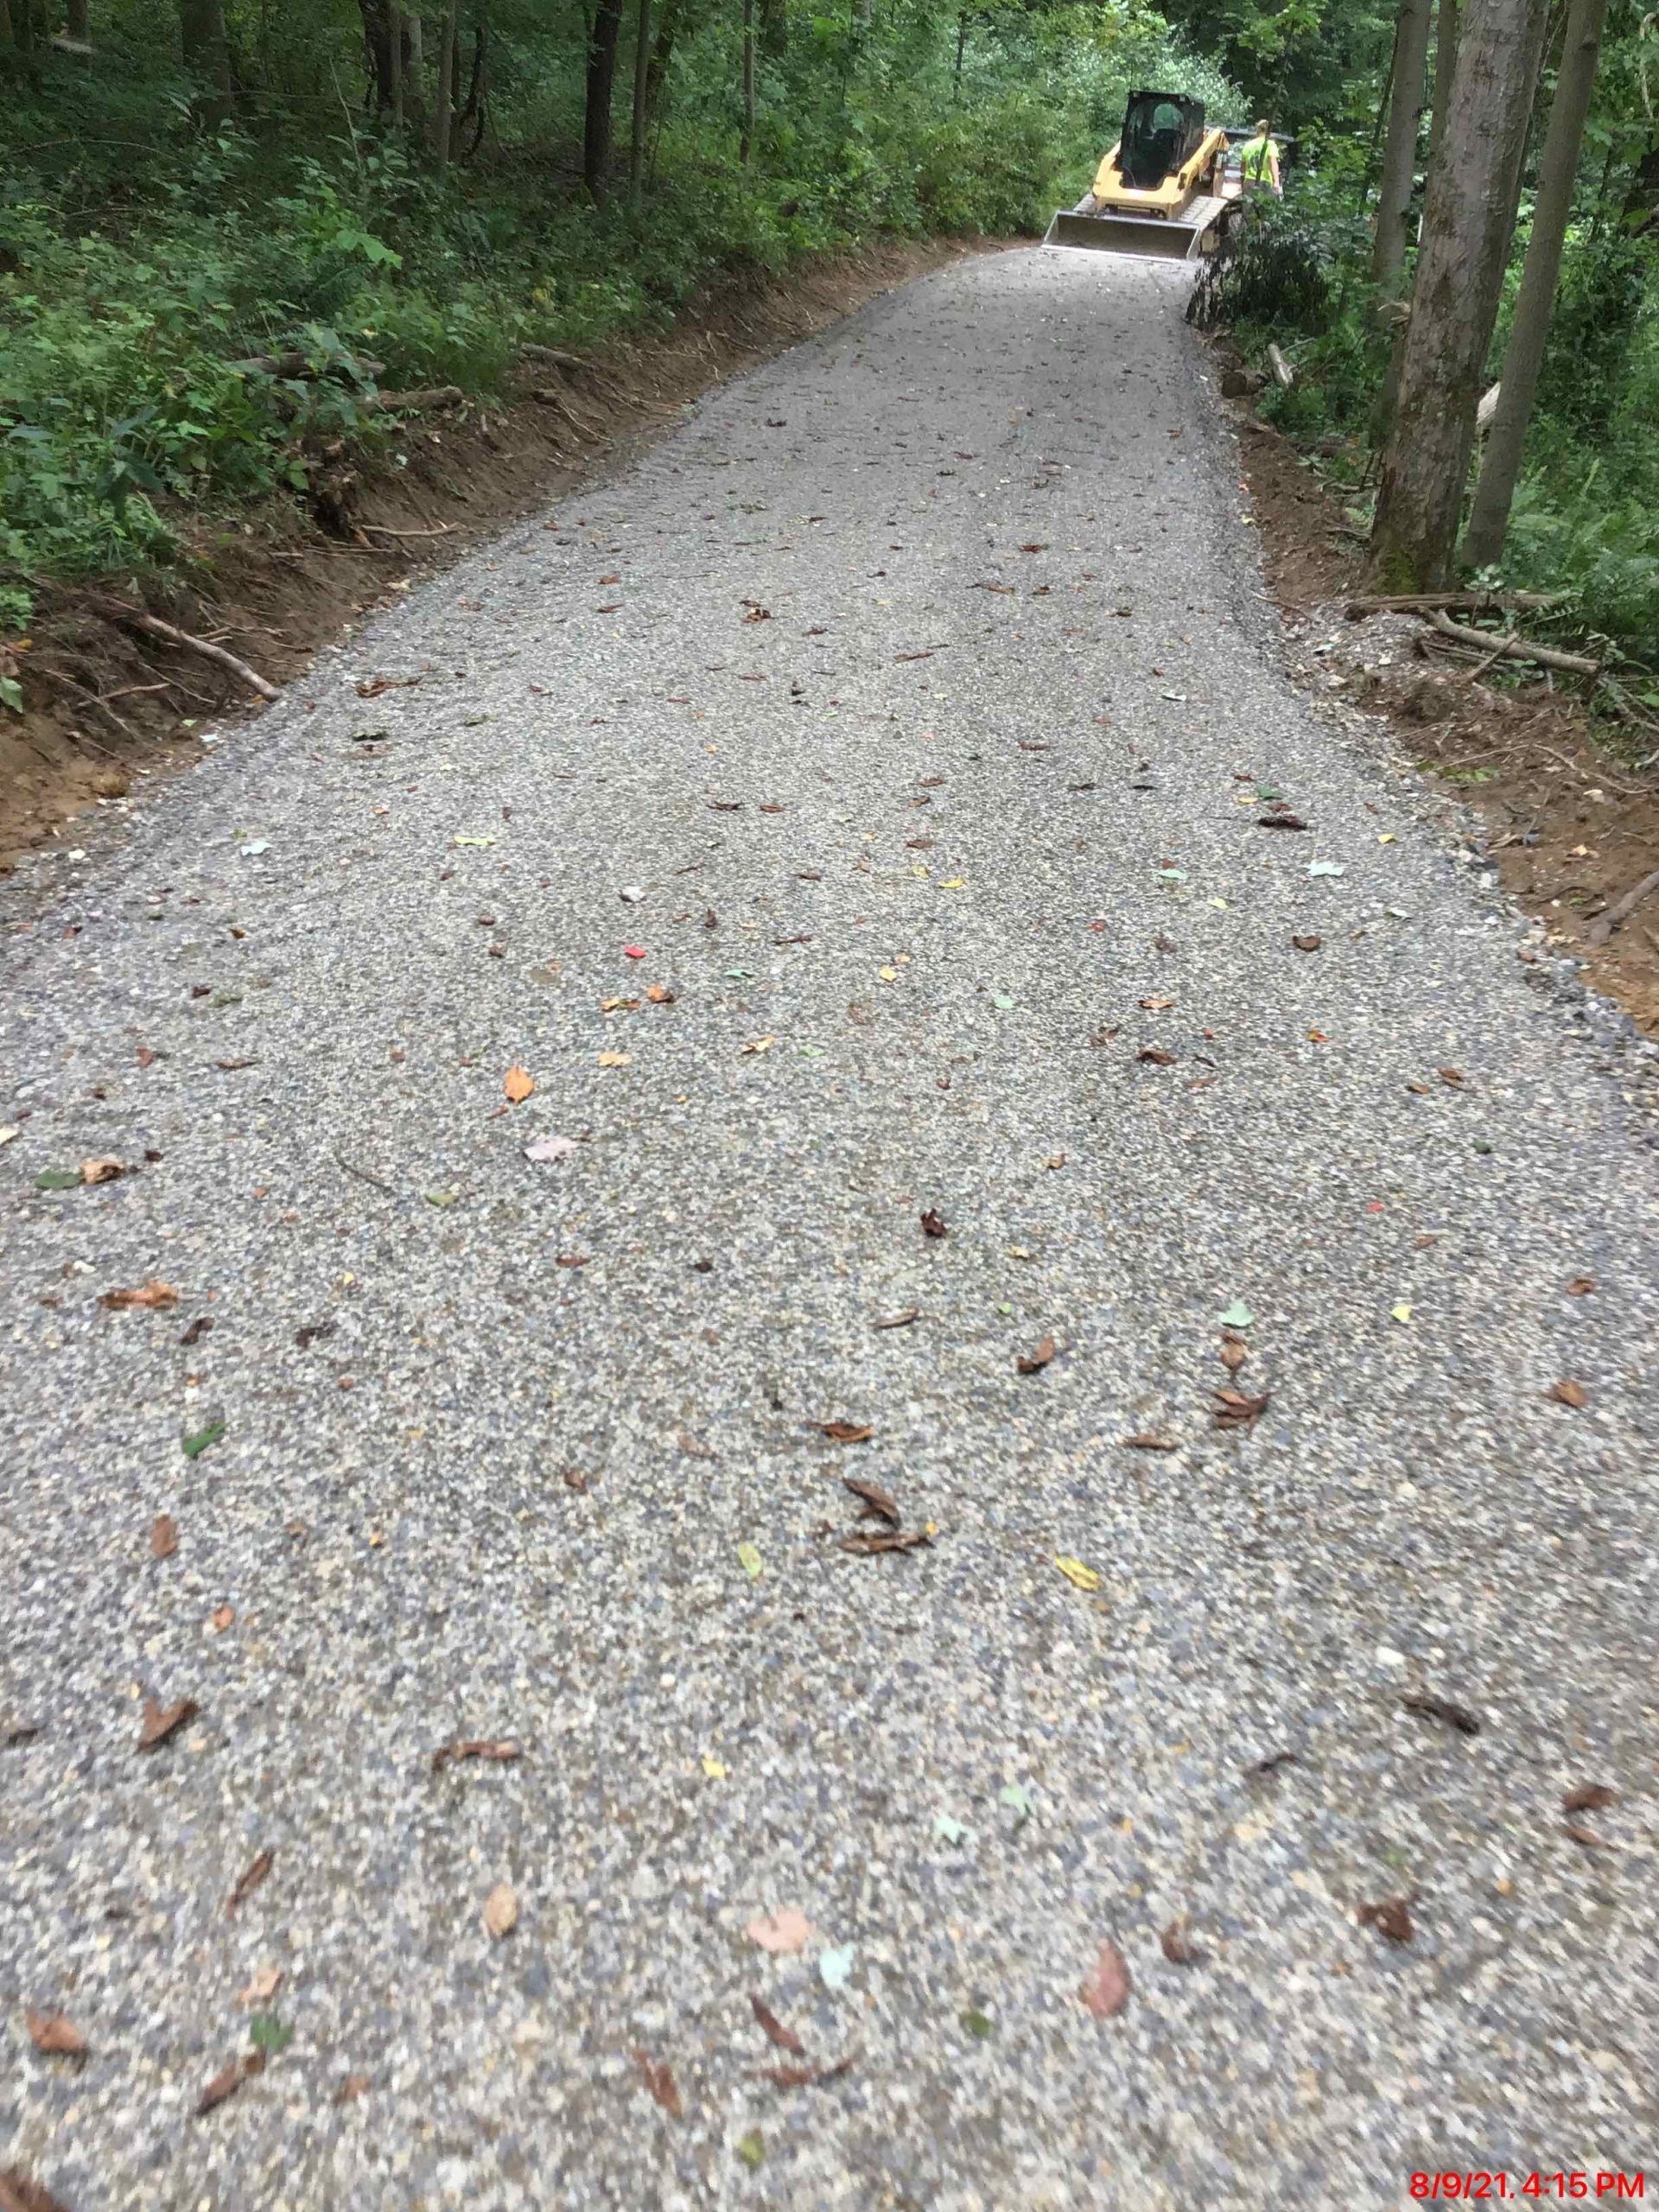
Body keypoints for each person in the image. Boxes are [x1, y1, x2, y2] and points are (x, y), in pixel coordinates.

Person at [1240, 118, 1281, 195]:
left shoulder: (1248, 145)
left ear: (1257, 130)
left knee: (1248, 206)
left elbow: (1242, 169)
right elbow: (1273, 163)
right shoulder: (1270, 144)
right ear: (1269, 132)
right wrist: (1276, 183)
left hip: (1249, 182)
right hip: (1264, 183)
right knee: (1265, 206)